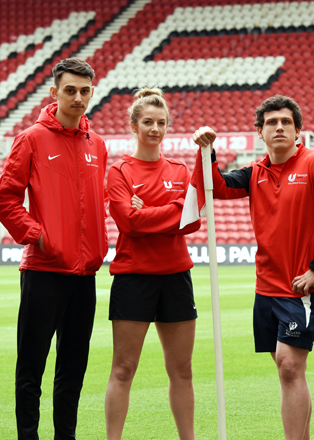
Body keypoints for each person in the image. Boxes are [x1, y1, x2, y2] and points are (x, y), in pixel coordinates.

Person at [192, 95, 314, 440]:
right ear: (260, 133)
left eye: (285, 122)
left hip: (301, 288)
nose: (278, 127)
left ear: (298, 131)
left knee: (290, 365)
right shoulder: (255, 172)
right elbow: (217, 186)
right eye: (271, 122)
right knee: (288, 371)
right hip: (265, 287)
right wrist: (207, 150)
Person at [0, 57, 108, 440]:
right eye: (70, 90)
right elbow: (6, 198)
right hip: (43, 269)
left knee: (73, 369)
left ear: (93, 92)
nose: (78, 97)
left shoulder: (99, 145)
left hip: (85, 274)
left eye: (85, 91)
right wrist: (37, 235)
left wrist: (97, 247)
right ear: (54, 92)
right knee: (32, 367)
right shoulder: (31, 138)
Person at [103, 87, 202, 440]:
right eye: (148, 122)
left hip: (176, 276)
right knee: (124, 369)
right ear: (134, 125)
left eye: (161, 123)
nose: (155, 129)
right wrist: (172, 210)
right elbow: (128, 223)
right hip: (134, 277)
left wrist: (149, 211)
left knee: (182, 370)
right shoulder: (119, 171)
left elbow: (191, 221)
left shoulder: (180, 169)